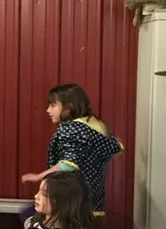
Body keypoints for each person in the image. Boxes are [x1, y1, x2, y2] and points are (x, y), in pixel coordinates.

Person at [21, 83, 123, 215]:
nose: (48, 110)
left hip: (71, 198)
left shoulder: (71, 129)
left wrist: (39, 176)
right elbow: (116, 147)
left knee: (30, 216)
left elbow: (69, 164)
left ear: (68, 107)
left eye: (52, 105)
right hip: (93, 199)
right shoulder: (94, 124)